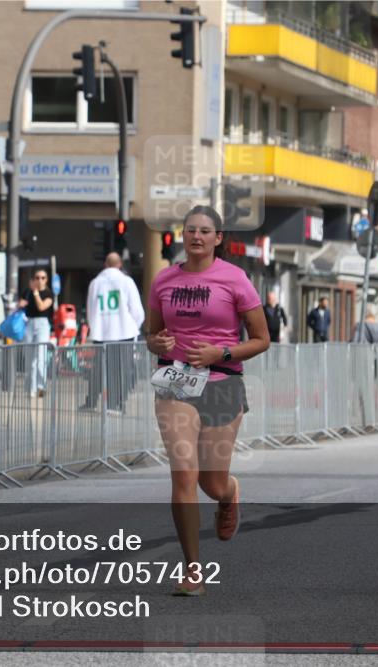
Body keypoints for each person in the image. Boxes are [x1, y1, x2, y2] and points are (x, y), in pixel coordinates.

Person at [147, 205, 270, 596]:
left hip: (222, 383)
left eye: (204, 231)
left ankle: (228, 493)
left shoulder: (235, 279)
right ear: (182, 236)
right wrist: (156, 343)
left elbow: (262, 339)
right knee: (184, 473)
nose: (196, 236)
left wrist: (223, 353)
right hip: (176, 383)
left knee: (210, 482)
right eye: (190, 230)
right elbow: (152, 334)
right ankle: (193, 571)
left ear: (218, 238)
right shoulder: (164, 280)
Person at [81, 252, 145, 412]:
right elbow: (137, 310)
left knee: (98, 369)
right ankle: (116, 404)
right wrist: (134, 326)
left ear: (105, 264)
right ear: (120, 264)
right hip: (124, 331)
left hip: (101, 333)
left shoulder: (95, 283)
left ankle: (91, 401)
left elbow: (91, 309)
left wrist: (95, 327)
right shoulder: (127, 281)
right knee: (122, 369)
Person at [18, 270, 54, 398]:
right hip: (28, 323)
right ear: (33, 279)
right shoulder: (27, 292)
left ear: (46, 279)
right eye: (37, 277)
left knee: (40, 356)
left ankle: (40, 387)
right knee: (29, 358)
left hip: (42, 324)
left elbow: (41, 307)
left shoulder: (48, 293)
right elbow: (20, 305)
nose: (40, 280)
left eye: (43, 278)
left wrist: (36, 292)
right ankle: (30, 388)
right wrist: (20, 304)